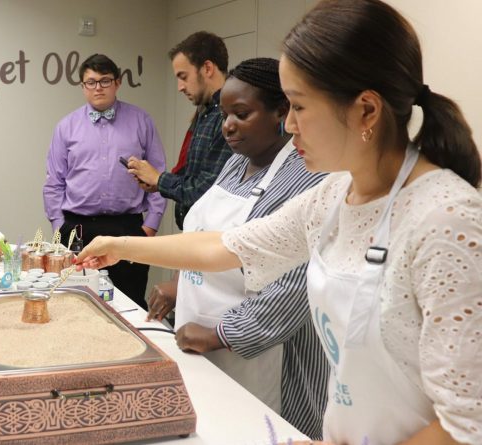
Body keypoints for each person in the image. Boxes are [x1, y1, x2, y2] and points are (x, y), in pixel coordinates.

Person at [76, 1, 482, 443]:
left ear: (366, 110)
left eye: (299, 107)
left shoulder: (445, 220)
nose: (289, 125)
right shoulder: (335, 194)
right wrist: (119, 246)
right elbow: (226, 246)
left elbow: (465, 426)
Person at [146, 58, 328, 438]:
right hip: (197, 335)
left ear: (281, 111)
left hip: (262, 349)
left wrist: (222, 335)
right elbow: (206, 238)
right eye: (225, 114)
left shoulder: (308, 176)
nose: (227, 126)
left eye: (241, 114)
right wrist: (181, 286)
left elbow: (296, 281)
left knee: (259, 430)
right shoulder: (235, 164)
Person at [43, 53, 166, 309]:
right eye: (91, 82)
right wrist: (59, 226)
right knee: (75, 304)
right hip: (77, 229)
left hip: (128, 227)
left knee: (130, 303)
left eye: (105, 80)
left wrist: (150, 226)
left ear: (117, 83)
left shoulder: (141, 121)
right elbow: (54, 181)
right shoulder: (66, 127)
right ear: (83, 86)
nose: (98, 87)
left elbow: (159, 176)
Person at [127, 31, 232, 230]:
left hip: (212, 236)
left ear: (207, 68)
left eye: (183, 77)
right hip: (195, 232)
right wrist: (156, 183)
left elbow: (207, 190)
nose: (180, 87)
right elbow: (192, 176)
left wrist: (160, 179)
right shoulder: (206, 112)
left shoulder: (228, 116)